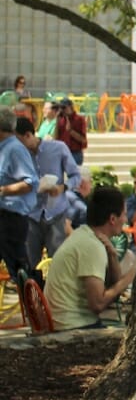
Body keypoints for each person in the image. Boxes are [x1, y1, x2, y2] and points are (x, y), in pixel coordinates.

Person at [43, 185, 136, 330]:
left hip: (66, 322)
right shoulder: (92, 246)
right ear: (112, 219)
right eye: (124, 214)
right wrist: (130, 277)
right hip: (72, 327)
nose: (125, 219)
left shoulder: (84, 234)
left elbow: (113, 290)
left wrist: (112, 255)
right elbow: (98, 304)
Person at [14, 117, 80, 267]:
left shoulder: (58, 148)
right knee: (31, 265)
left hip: (56, 214)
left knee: (56, 265)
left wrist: (62, 188)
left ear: (28, 135)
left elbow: (76, 176)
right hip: (31, 216)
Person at [0, 107, 39, 280]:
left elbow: (30, 182)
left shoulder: (15, 150)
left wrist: (3, 191)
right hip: (3, 217)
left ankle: (36, 304)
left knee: (21, 273)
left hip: (11, 219)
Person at [55, 97, 88, 165]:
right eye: (61, 108)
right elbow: (56, 138)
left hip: (75, 153)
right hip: (62, 152)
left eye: (64, 108)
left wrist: (71, 131)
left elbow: (83, 140)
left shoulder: (79, 119)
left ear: (71, 107)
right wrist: (56, 122)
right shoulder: (61, 120)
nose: (62, 110)